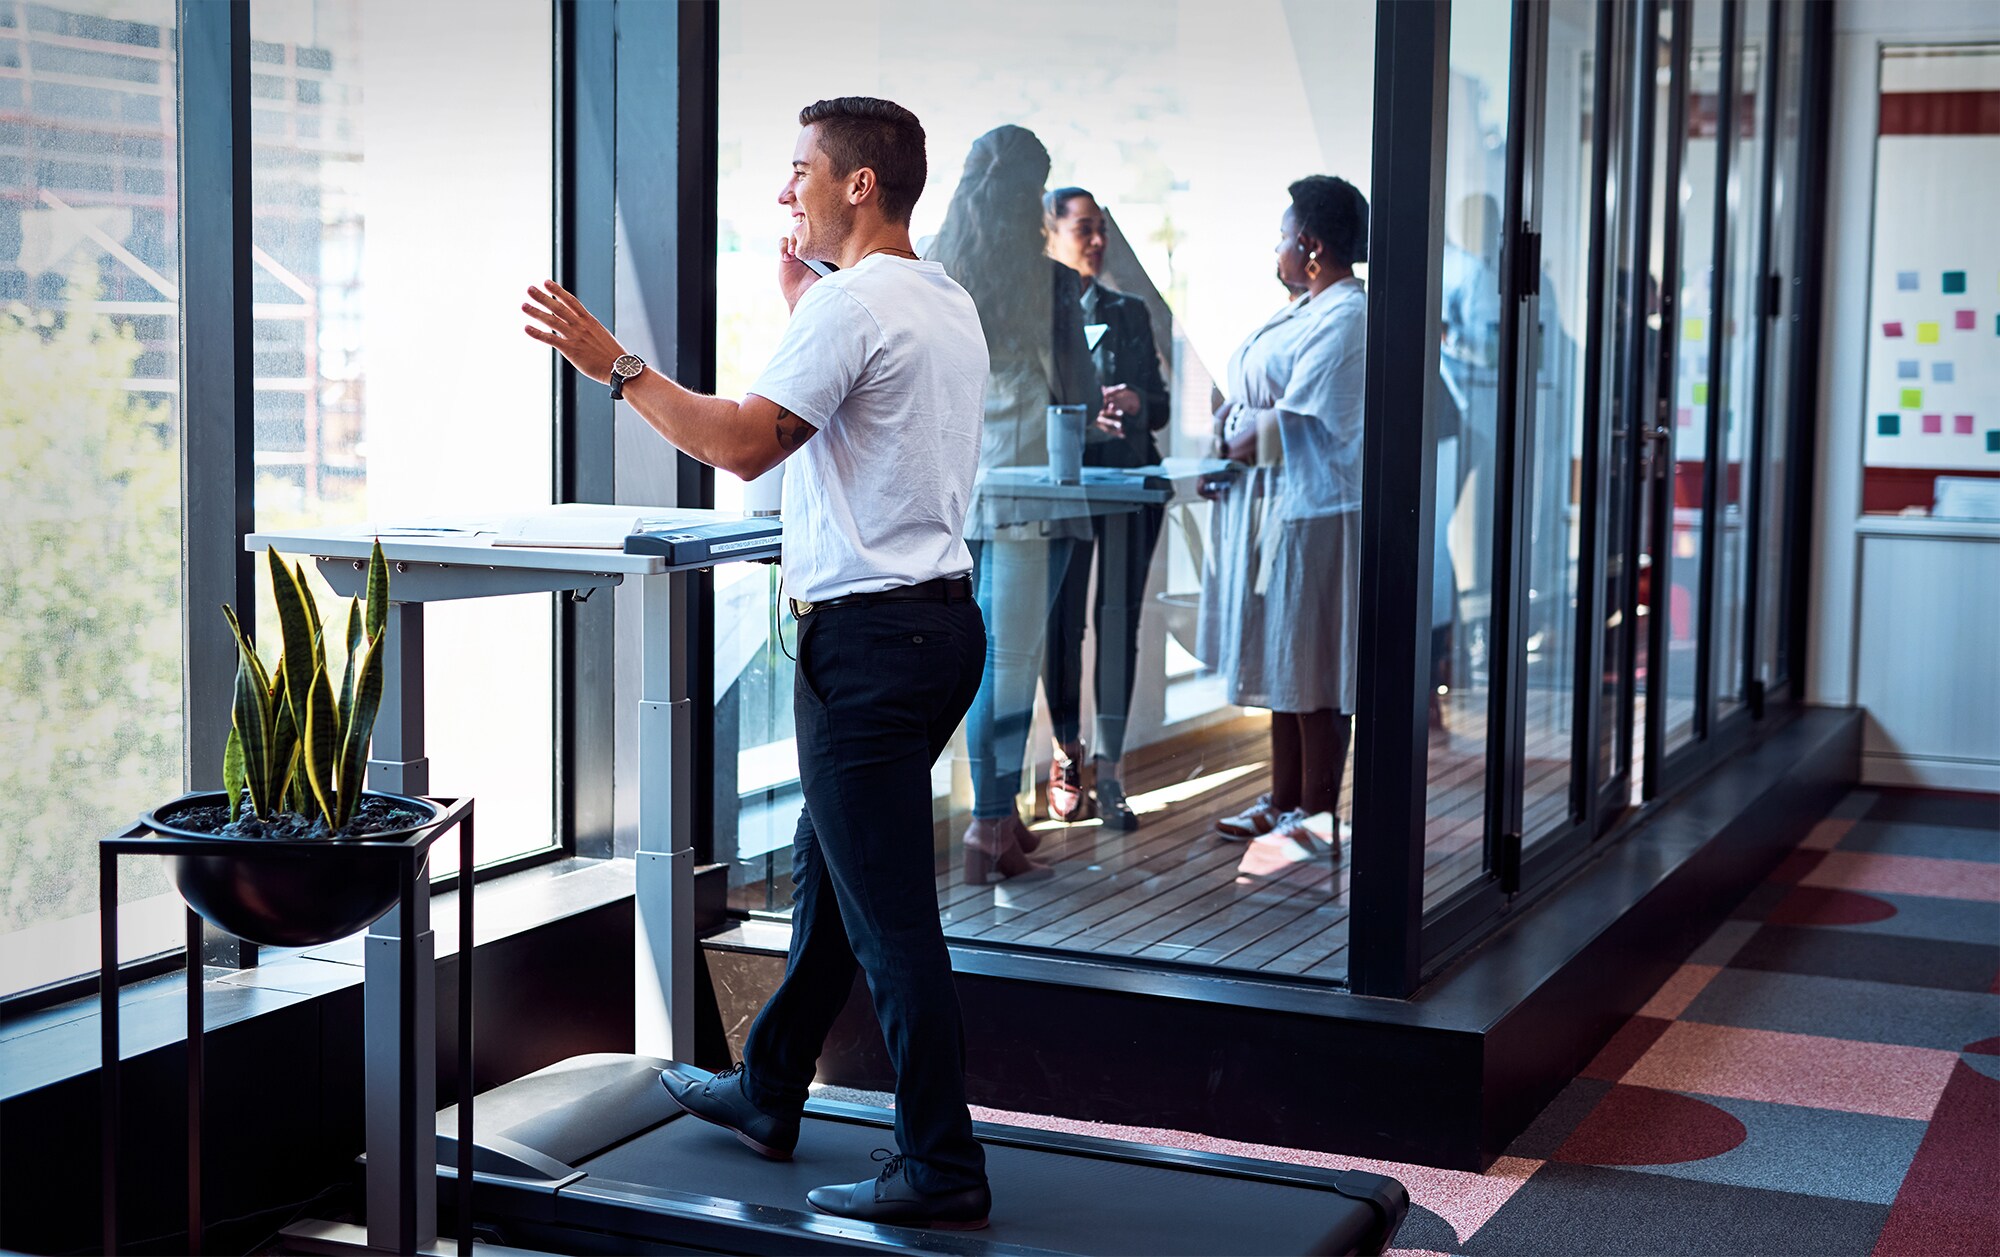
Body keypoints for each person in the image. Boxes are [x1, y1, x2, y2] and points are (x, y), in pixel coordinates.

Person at [521, 96, 994, 1229]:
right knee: (834, 883)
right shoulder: (936, 299)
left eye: (800, 171)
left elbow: (738, 447)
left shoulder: (854, 310)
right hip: (936, 630)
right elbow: (867, 426)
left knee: (888, 925)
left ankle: (940, 1164)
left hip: (871, 647)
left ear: (858, 185)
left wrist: (613, 363)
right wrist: (804, 307)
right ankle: (769, 1088)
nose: (787, 190)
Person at [926, 126, 1100, 881]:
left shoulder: (933, 266)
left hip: (960, 490)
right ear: (1032, 192)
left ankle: (997, 811)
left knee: (982, 658)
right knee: (1014, 659)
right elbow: (1082, 391)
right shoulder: (1049, 279)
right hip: (1035, 488)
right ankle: (989, 826)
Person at [1197, 175, 1369, 851]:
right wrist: (1235, 427)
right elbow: (1245, 409)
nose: (1276, 248)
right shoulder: (1306, 307)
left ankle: (1316, 811)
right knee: (1284, 653)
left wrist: (1233, 432)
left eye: (1281, 236)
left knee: (1315, 662)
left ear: (1311, 244)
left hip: (1317, 512)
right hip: (1281, 507)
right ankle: (1285, 798)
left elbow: (1281, 422)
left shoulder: (1347, 316)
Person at [1039, 186, 1172, 829]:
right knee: (1061, 629)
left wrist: (1136, 401)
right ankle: (1070, 757)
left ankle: (1113, 774)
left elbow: (1164, 405)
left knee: (1119, 626)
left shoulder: (1130, 311)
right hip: (1065, 490)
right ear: (1050, 234)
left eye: (1101, 231)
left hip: (1128, 491)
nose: (1096, 242)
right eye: (1084, 229)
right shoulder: (1034, 313)